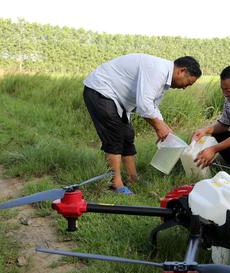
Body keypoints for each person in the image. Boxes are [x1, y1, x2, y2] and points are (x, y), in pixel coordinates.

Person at [83, 54, 201, 194]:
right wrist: (158, 126)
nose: (185, 88)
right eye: (188, 83)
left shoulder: (164, 79)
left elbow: (152, 106)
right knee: (114, 136)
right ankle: (115, 184)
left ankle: (133, 178)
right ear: (181, 71)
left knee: (127, 135)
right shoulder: (158, 70)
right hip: (101, 91)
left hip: (117, 99)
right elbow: (143, 104)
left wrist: (164, 126)